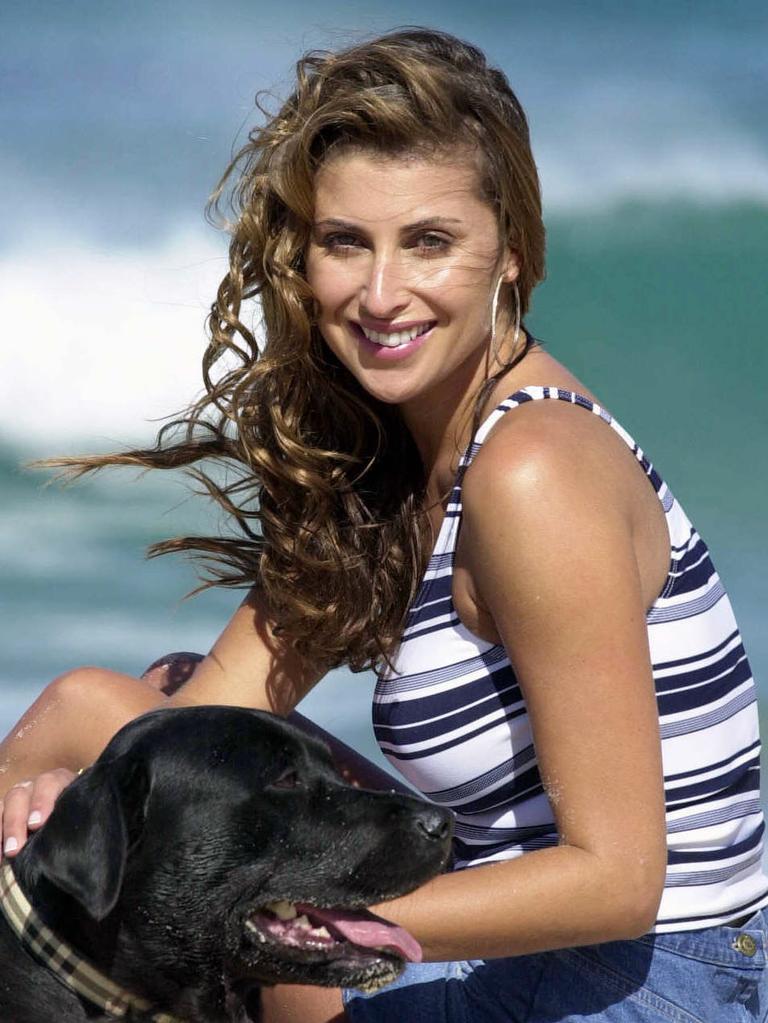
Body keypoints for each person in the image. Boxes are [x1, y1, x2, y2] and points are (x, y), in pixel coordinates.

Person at [1, 27, 766, 1023]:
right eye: (345, 242)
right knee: (97, 709)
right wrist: (63, 803)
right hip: (524, 931)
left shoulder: (534, 472)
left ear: (513, 254)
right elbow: (203, 715)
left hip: (655, 976)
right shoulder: (390, 456)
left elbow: (618, 880)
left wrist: (320, 918)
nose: (380, 293)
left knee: (215, 896)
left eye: (430, 242)